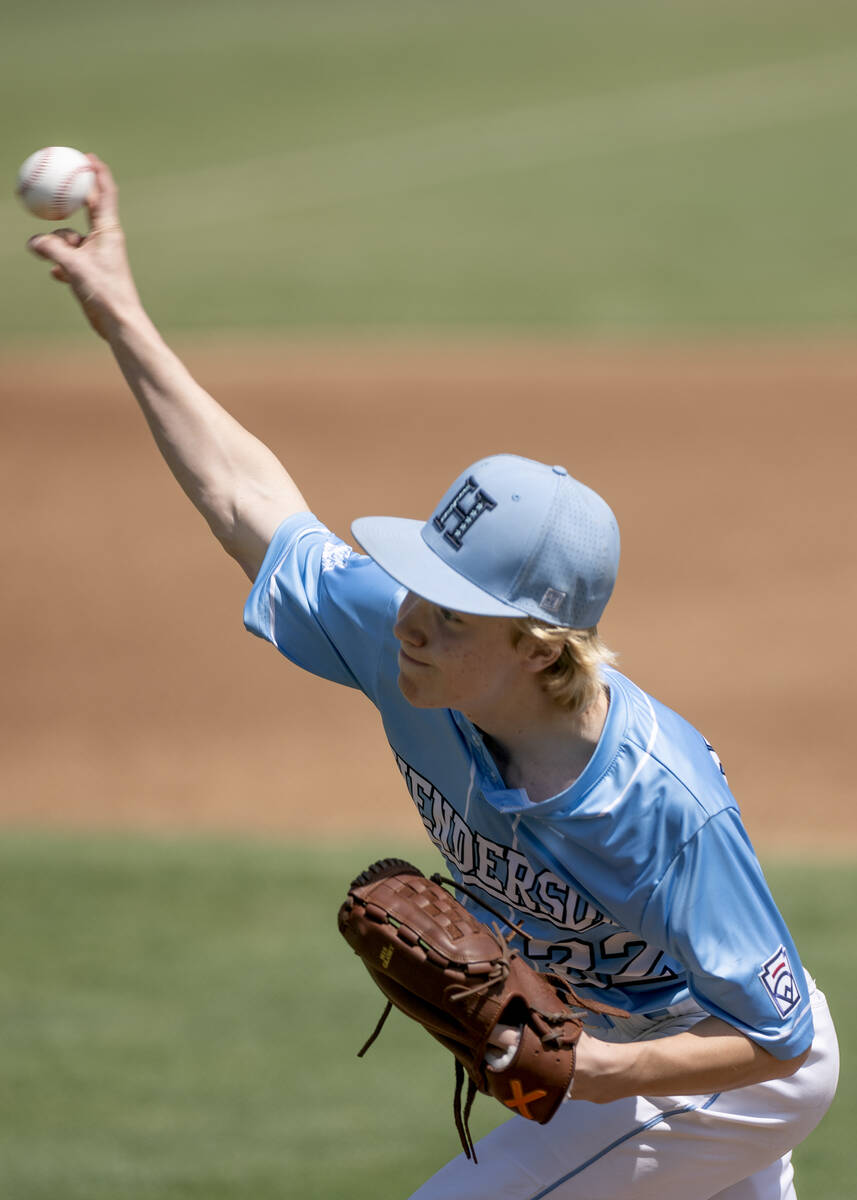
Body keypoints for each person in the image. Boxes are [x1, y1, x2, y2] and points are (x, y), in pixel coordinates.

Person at [27, 157, 839, 1200]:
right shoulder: (402, 638)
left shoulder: (657, 803)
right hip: (649, 1047)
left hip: (726, 1067)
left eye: (448, 613)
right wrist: (121, 315)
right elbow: (245, 499)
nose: (407, 622)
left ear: (540, 646)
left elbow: (774, 1039)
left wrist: (597, 1073)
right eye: (415, 583)